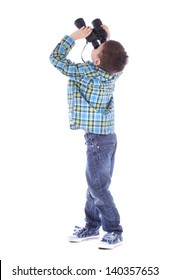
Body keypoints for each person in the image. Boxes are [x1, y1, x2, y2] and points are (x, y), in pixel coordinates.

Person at [49, 24, 128, 249]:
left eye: (98, 46)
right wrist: (107, 40)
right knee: (95, 184)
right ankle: (92, 225)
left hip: (97, 141)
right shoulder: (114, 74)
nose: (96, 45)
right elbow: (113, 60)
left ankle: (114, 230)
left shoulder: (85, 73)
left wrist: (74, 37)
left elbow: (55, 58)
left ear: (96, 62)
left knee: (98, 187)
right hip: (108, 138)